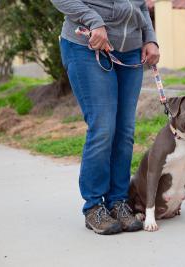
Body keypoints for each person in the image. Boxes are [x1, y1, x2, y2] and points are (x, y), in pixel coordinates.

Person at [51, 0, 160, 235]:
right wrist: (94, 21)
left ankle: (118, 201)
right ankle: (93, 206)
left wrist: (150, 38)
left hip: (130, 50)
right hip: (87, 44)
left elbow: (140, 5)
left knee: (125, 131)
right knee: (103, 127)